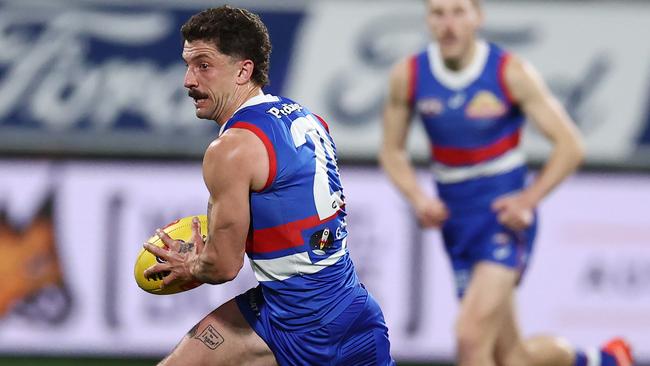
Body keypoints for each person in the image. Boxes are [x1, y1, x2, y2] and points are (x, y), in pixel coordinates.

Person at [379, 0, 634, 365]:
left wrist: (528, 200)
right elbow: (392, 151)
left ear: (477, 17)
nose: (448, 24)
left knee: (470, 339)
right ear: (427, 19)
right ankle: (606, 359)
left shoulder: (510, 72)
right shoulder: (410, 75)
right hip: (456, 222)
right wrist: (418, 198)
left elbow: (570, 145)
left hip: (502, 219)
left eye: (458, 12)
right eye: (438, 13)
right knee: (514, 357)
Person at [141, 6, 394, 366]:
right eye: (188, 64)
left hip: (309, 327)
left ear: (244, 70)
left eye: (203, 65)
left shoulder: (231, 150)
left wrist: (192, 265)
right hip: (329, 304)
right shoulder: (304, 116)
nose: (188, 80)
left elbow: (223, 267)